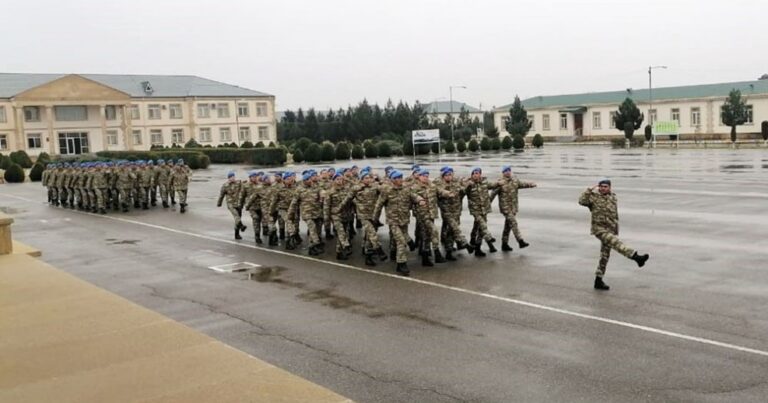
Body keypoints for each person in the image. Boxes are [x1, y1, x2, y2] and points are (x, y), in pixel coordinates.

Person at [578, 178, 650, 290]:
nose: (602, 188)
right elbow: (581, 201)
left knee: (604, 256)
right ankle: (635, 257)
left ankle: (598, 280)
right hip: (599, 229)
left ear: (610, 188)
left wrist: (615, 229)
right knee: (617, 243)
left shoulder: (613, 197)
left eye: (605, 186)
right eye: (601, 186)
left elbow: (614, 215)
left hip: (611, 229)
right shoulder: (593, 198)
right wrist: (589, 190)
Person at [373, 170, 424, 276]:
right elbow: (378, 205)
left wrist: (420, 200)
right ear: (392, 180)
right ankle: (401, 264)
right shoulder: (387, 191)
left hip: (404, 219)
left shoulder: (406, 189)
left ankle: (402, 248)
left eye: (401, 177)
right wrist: (375, 220)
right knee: (401, 241)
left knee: (403, 236)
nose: (400, 179)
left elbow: (413, 196)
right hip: (393, 221)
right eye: (397, 178)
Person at [492, 166, 537, 252]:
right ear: (503, 172)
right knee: (513, 223)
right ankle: (520, 241)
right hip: (505, 208)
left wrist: (531, 184)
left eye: (509, 170)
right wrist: (487, 204)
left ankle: (504, 244)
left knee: (508, 226)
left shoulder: (515, 181)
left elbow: (523, 184)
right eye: (505, 171)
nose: (508, 172)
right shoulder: (500, 183)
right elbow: (492, 195)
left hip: (513, 207)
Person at [464, 167, 499, 257]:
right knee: (483, 225)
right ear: (471, 175)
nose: (476, 175)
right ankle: (489, 237)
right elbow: (463, 190)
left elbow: (493, 185)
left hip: (484, 209)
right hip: (475, 210)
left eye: (477, 173)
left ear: (480, 174)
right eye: (474, 173)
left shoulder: (485, 182)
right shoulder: (469, 184)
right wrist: (468, 184)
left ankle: (478, 248)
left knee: (480, 229)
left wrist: (500, 182)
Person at [289, 170, 325, 256]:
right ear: (304, 181)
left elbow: (322, 192)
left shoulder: (316, 187)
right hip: (307, 213)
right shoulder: (299, 190)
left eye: (311, 179)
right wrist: (290, 213)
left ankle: (312, 247)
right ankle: (316, 244)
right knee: (312, 229)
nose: (311, 181)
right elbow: (294, 202)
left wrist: (322, 195)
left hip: (317, 212)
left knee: (317, 229)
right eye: (308, 179)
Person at [218, 170, 246, 239]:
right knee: (236, 216)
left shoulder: (238, 183)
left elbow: (244, 186)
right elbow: (221, 195)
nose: (233, 178)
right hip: (230, 204)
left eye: (233, 176)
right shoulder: (225, 185)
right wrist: (219, 203)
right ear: (229, 178)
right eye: (231, 177)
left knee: (238, 218)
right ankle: (242, 226)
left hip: (238, 204)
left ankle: (237, 234)